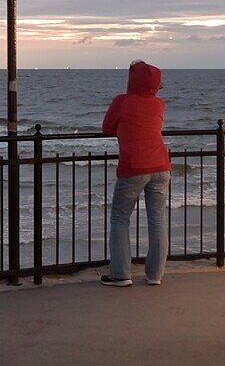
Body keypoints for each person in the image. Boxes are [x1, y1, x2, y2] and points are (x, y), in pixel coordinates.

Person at [99, 60, 171, 287]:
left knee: (120, 218)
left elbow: (107, 127)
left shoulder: (122, 101)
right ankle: (155, 275)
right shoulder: (159, 104)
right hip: (161, 166)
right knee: (157, 221)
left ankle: (120, 274)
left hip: (134, 166)